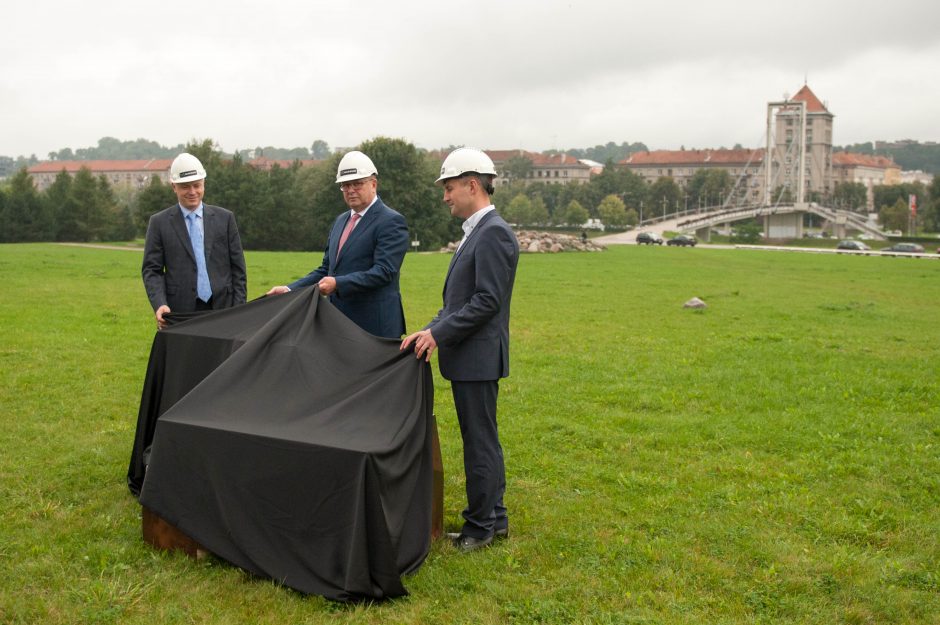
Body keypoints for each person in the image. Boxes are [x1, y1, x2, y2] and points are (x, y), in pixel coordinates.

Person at [400, 148, 519, 553]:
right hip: (471, 356)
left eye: (449, 188)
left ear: (472, 185)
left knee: (479, 442)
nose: (445, 197)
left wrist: (440, 334)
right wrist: (430, 329)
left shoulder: (494, 232)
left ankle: (480, 527)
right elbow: (459, 302)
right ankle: (494, 518)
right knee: (482, 438)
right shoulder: (479, 231)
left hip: (478, 358)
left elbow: (486, 301)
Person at [266, 151, 409, 339]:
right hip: (338, 324)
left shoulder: (391, 221)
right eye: (345, 185)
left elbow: (384, 271)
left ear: (373, 184)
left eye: (357, 184)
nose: (350, 190)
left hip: (374, 327)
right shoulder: (341, 221)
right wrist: (289, 289)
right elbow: (327, 269)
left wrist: (338, 283)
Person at [142, 153, 247, 330]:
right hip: (180, 312)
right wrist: (160, 304)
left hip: (223, 308)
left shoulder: (225, 219)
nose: (192, 192)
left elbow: (238, 269)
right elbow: (152, 270)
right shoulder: (159, 223)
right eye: (185, 187)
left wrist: (239, 308)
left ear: (203, 184)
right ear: (174, 186)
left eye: (197, 185)